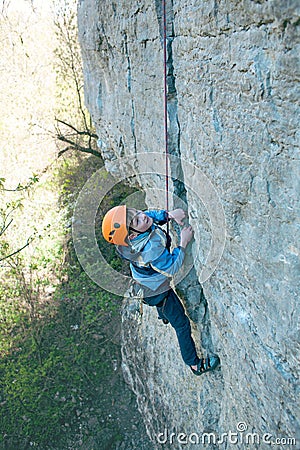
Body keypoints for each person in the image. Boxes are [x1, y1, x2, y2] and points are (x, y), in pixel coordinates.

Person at [102, 205, 220, 376]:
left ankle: (163, 315)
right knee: (182, 325)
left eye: (137, 212)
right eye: (136, 219)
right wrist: (183, 243)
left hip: (145, 282)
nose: (142, 216)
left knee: (164, 309)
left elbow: (149, 216)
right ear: (133, 235)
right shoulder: (149, 249)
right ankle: (194, 364)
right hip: (157, 292)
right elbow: (171, 268)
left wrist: (169, 215)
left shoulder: (132, 234)